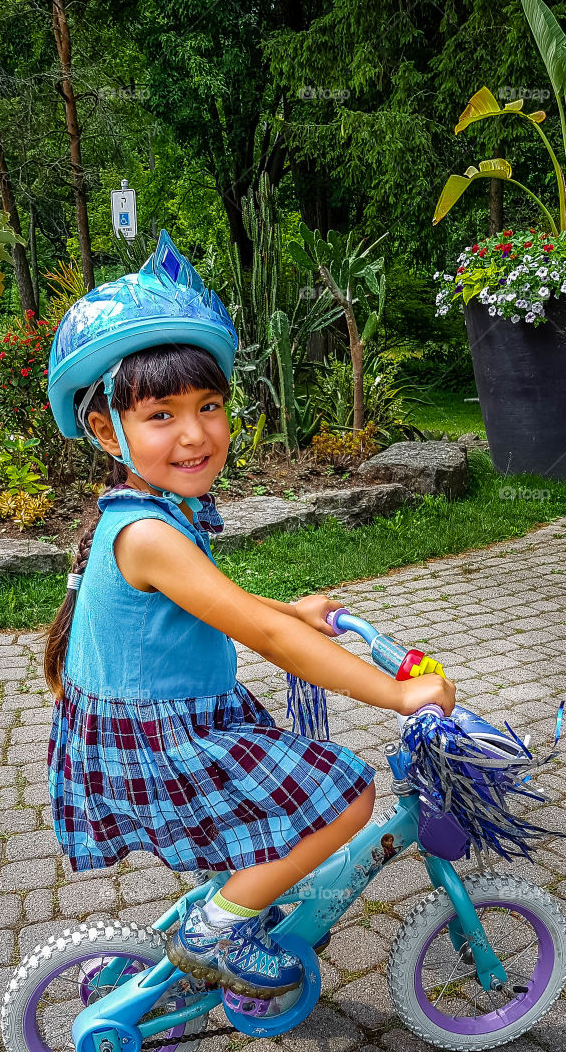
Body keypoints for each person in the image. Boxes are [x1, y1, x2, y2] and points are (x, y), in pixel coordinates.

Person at [43, 230, 455, 1000]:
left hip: (167, 717)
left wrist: (291, 607)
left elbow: (226, 604)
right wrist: (398, 693)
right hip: (164, 739)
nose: (196, 433)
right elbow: (255, 633)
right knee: (348, 795)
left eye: (209, 406)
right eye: (161, 414)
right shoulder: (148, 532)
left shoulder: (152, 511)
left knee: (278, 804)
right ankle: (218, 928)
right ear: (107, 429)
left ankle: (229, 910)